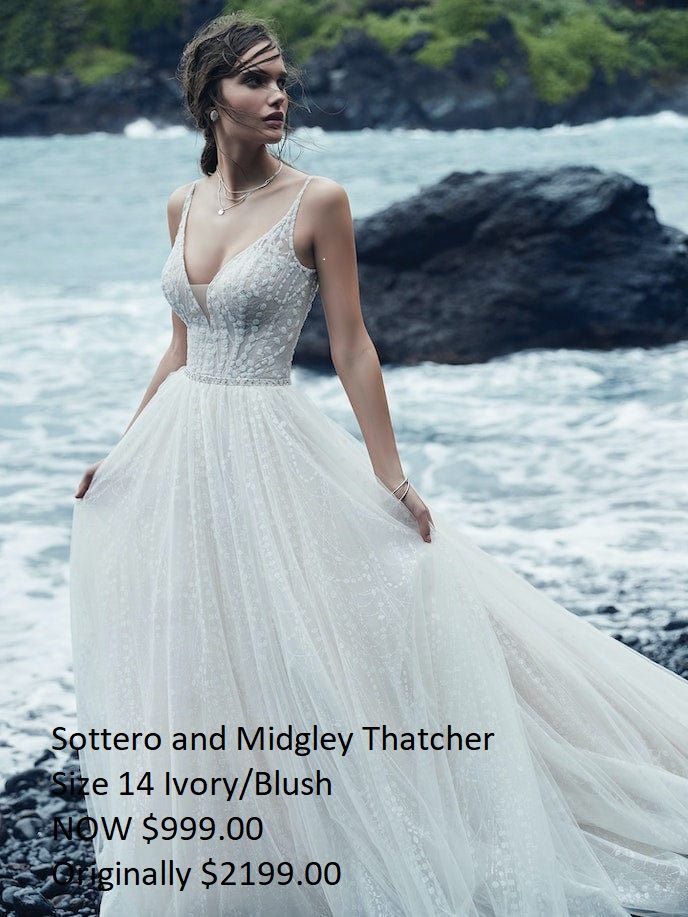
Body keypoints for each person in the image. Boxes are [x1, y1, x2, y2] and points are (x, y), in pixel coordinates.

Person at [69, 12, 688, 917]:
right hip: (181, 450)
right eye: (254, 80)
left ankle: (359, 831)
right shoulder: (182, 203)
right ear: (210, 99)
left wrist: (389, 475)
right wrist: (121, 452)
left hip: (268, 439)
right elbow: (178, 347)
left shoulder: (319, 200)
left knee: (309, 640)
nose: (277, 95)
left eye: (281, 79)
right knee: (209, 646)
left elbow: (354, 346)